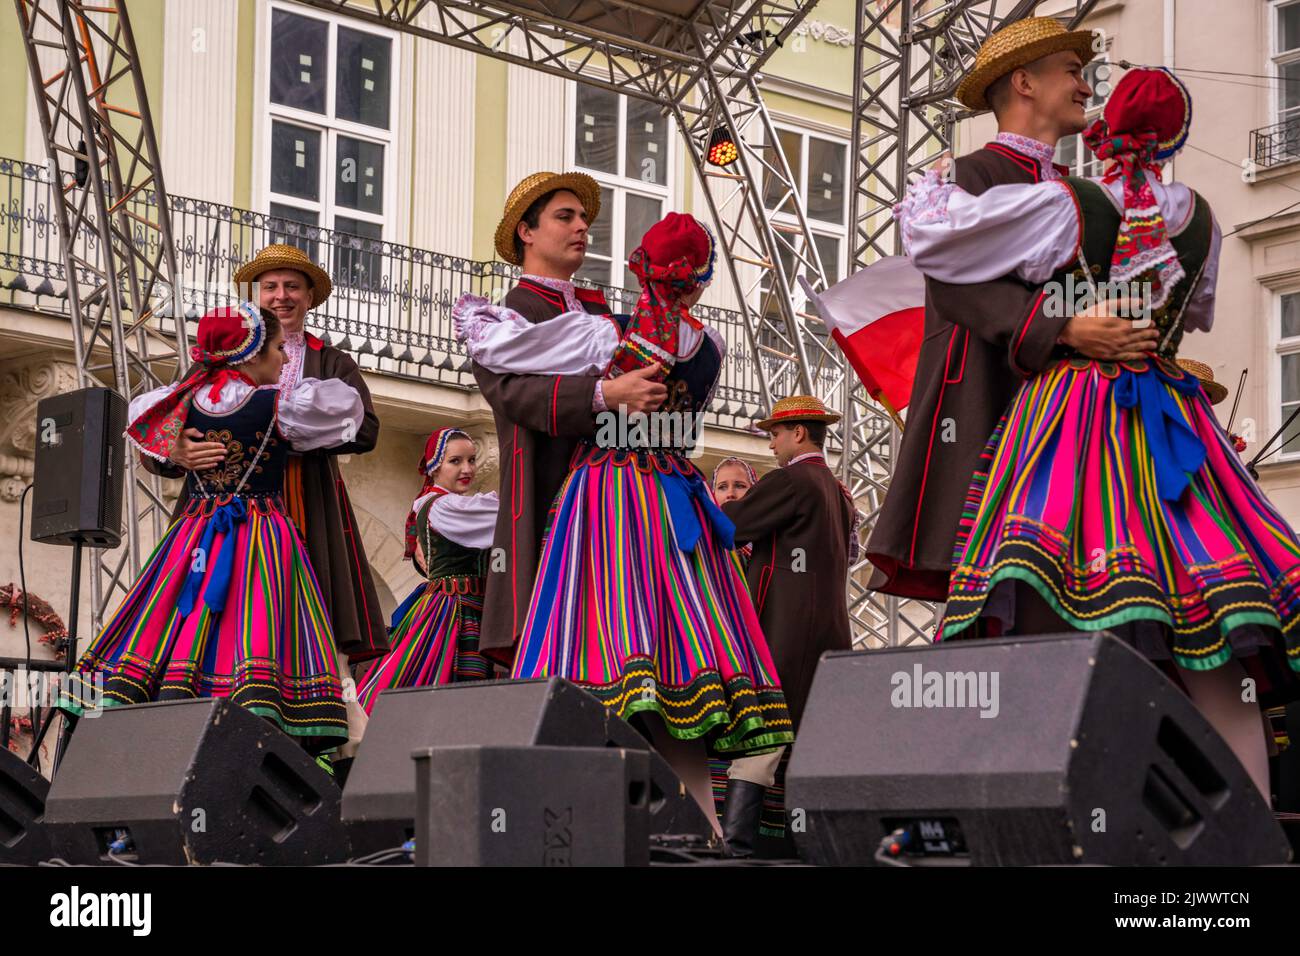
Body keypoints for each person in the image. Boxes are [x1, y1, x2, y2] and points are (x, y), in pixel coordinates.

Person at [900, 66, 1297, 801]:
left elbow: (932, 236)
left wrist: (934, 186)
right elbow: (1194, 315)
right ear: (1176, 137)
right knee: (1207, 638)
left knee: (1052, 605)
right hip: (1173, 423)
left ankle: (1060, 815)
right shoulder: (1200, 218)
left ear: (1110, 135)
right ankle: (1251, 833)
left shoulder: (1065, 204)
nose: (1083, 88)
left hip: (1075, 418)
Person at [455, 212, 794, 836]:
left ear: (642, 270)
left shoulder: (604, 333)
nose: (582, 227)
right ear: (700, 281)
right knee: (682, 656)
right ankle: (702, 831)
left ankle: (580, 827)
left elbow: (501, 351)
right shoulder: (709, 346)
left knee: (601, 650)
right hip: (679, 498)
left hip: (611, 502)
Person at [865, 16, 1153, 601]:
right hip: (991, 391)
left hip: (1073, 396)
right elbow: (951, 283)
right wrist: (1065, 326)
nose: (1086, 88)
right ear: (1024, 82)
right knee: (997, 565)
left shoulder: (1075, 187)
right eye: (1073, 72)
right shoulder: (972, 175)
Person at [62, 304, 364, 755]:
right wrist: (174, 448)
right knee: (255, 621)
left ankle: (177, 710)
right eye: (279, 348)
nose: (285, 359)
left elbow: (143, 426)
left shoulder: (181, 402)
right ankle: (247, 729)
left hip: (194, 534)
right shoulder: (278, 404)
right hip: (261, 532)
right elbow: (347, 414)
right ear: (249, 355)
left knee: (182, 617)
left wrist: (174, 444)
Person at [141, 245, 387, 767]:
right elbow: (163, 430)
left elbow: (365, 429)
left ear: (309, 296)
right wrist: (180, 451)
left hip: (305, 501)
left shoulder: (332, 360)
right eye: (270, 287)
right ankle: (206, 721)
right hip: (222, 508)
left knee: (308, 609)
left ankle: (315, 733)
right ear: (256, 296)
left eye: (292, 287)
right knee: (216, 609)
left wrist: (282, 434)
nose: (281, 296)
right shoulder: (214, 363)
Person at [476, 172, 669, 669]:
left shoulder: (600, 312)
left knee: (622, 638)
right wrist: (605, 393)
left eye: (584, 218)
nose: (583, 226)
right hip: (549, 494)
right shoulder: (506, 317)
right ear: (527, 232)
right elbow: (512, 394)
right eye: (566, 216)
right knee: (557, 645)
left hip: (619, 498)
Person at [719, 395, 858, 855]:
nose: (772, 444)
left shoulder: (792, 479)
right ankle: (807, 846)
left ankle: (737, 845)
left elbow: (732, 526)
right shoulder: (837, 490)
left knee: (763, 734)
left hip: (785, 630)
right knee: (807, 744)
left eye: (775, 434)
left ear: (798, 433)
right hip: (830, 637)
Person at [355, 427, 498, 715]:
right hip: (453, 609)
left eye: (471, 460)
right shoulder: (444, 506)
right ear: (434, 467)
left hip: (472, 607)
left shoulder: (447, 504)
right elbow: (505, 516)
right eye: (455, 461)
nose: (467, 469)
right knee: (446, 678)